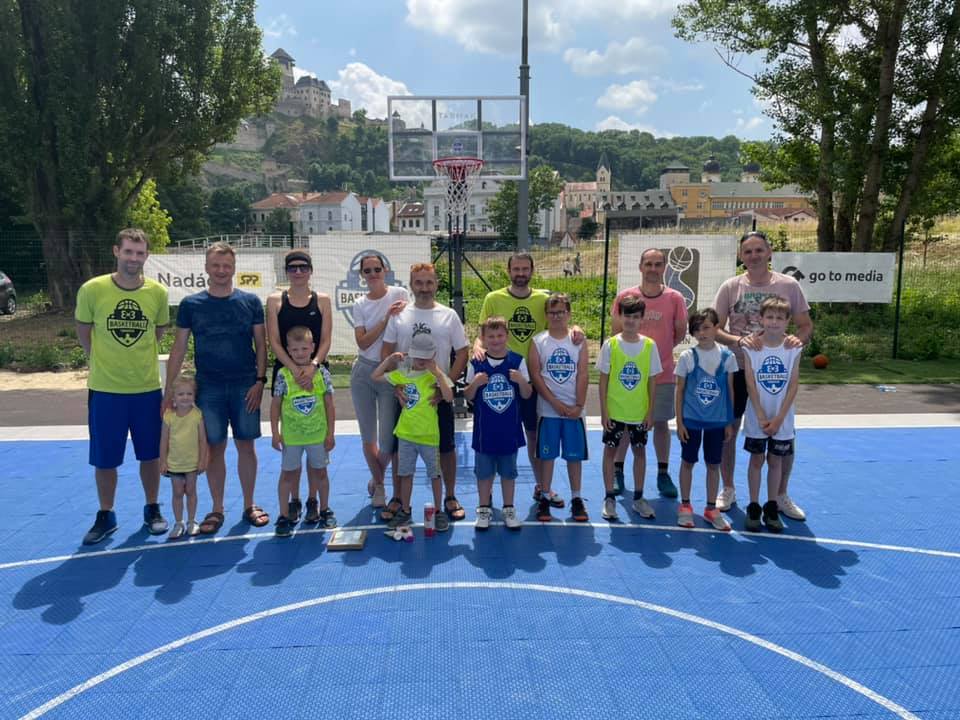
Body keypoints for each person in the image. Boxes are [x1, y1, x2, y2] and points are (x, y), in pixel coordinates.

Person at [164, 241, 269, 535]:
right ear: (206, 268)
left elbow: (261, 345)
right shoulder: (191, 305)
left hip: (245, 386)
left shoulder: (250, 302)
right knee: (214, 448)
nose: (221, 271)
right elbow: (179, 348)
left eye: (227, 266)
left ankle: (249, 504)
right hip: (208, 387)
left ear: (234, 268)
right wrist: (168, 390)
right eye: (216, 265)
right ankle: (217, 508)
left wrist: (260, 381)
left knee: (246, 446)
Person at [75, 228, 171, 544]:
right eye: (128, 251)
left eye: (140, 253)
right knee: (105, 458)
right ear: (117, 251)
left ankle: (152, 508)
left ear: (147, 256)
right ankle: (106, 514)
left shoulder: (157, 293)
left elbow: (157, 332)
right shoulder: (92, 289)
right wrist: (98, 359)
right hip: (106, 390)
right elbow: (84, 329)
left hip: (146, 389)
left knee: (150, 455)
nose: (134, 258)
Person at [713, 230, 812, 519]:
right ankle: (728, 488)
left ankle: (780, 494)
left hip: (774, 377)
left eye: (759, 250)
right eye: (748, 251)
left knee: (783, 434)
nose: (754, 255)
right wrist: (739, 340)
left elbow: (805, 325)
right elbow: (715, 328)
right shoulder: (731, 287)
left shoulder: (788, 285)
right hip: (737, 370)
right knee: (729, 431)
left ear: (769, 252)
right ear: (740, 256)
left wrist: (794, 343)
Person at [476, 252, 584, 510]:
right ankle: (486, 492)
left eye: (525, 269)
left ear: (532, 271)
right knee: (493, 433)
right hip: (501, 378)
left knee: (534, 435)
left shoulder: (542, 299)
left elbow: (561, 318)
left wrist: (576, 328)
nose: (521, 273)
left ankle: (541, 487)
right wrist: (476, 347)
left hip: (532, 379)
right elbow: (482, 333)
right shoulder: (493, 298)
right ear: (508, 271)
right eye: (516, 269)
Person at [382, 262, 468, 526]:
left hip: (434, 395)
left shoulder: (448, 315)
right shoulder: (400, 315)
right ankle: (399, 498)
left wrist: (446, 385)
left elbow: (462, 352)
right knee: (400, 449)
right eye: (419, 283)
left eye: (429, 282)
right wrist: (396, 386)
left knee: (446, 447)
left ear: (436, 284)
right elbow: (386, 352)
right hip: (407, 396)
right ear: (411, 285)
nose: (424, 288)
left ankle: (450, 496)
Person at [610, 247, 687, 499]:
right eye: (648, 264)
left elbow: (679, 333)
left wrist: (655, 357)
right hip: (628, 376)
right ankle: (618, 471)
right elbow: (615, 333)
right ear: (640, 267)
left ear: (664, 267)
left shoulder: (675, 298)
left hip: (662, 373)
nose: (653, 269)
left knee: (661, 423)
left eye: (657, 264)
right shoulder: (625, 296)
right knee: (624, 423)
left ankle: (663, 473)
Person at [265, 249, 333, 522]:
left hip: (315, 371)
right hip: (287, 372)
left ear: (310, 270)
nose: (298, 272)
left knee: (314, 440)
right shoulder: (275, 300)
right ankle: (293, 501)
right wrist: (294, 369)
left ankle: (314, 500)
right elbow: (274, 341)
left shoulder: (322, 300)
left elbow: (325, 340)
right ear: (286, 271)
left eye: (303, 267)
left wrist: (313, 365)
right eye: (292, 267)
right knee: (293, 438)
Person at [372, 335, 454, 529]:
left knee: (435, 475)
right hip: (406, 436)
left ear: (433, 355)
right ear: (411, 354)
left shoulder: (435, 375)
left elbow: (449, 397)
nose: (421, 360)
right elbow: (375, 377)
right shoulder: (403, 374)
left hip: (429, 436)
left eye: (426, 356)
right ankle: (405, 510)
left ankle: (438, 511)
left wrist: (438, 374)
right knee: (406, 474)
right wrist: (389, 360)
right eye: (418, 356)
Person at [349, 252, 409, 510]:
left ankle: (376, 479)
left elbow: (406, 328)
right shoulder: (359, 304)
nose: (373, 274)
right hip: (363, 373)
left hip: (388, 372)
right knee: (368, 436)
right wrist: (386, 318)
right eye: (367, 271)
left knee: (387, 441)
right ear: (362, 275)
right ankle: (381, 487)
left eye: (377, 269)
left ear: (385, 270)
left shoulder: (400, 294)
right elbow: (363, 342)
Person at [597, 293, 662, 522]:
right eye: (627, 316)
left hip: (638, 413)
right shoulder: (611, 344)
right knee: (610, 452)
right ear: (619, 316)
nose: (631, 321)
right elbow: (603, 380)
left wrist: (650, 411)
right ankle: (609, 498)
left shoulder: (649, 346)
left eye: (635, 317)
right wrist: (604, 412)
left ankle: (638, 498)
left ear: (642, 318)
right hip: (615, 411)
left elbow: (652, 381)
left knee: (640, 452)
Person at [464, 316, 532, 530]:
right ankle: (483, 509)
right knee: (484, 474)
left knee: (508, 473)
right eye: (491, 336)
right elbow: (467, 396)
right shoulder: (476, 363)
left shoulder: (517, 361)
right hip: (484, 432)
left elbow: (527, 394)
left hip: (509, 431)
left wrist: (521, 380)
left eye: (500, 335)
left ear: (507, 336)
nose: (495, 340)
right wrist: (475, 383)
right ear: (483, 338)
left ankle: (509, 508)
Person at [741, 296, 802, 533]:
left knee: (775, 461)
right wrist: (760, 415)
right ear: (761, 319)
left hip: (782, 419)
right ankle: (754, 506)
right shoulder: (751, 347)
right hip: (757, 417)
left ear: (787, 321)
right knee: (756, 460)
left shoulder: (793, 348)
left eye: (779, 318)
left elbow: (793, 385)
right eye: (769, 317)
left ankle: (772, 506)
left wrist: (779, 419)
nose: (774, 322)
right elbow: (750, 382)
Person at [528, 293, 590, 523]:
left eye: (561, 312)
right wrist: (554, 403)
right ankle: (545, 497)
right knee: (547, 456)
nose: (556, 316)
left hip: (574, 411)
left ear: (569, 314)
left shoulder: (578, 341)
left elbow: (583, 373)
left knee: (574, 457)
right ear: (546, 315)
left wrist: (579, 405)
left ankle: (576, 498)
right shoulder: (538, 342)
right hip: (548, 410)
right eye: (552, 313)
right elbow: (536, 375)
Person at [674, 309, 737, 532]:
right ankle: (685, 505)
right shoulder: (687, 357)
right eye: (697, 329)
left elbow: (730, 391)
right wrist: (679, 422)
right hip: (691, 420)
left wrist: (729, 421)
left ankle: (711, 508)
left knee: (713, 464)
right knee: (688, 462)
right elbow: (680, 391)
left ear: (716, 328)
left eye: (707, 327)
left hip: (716, 422)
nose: (702, 333)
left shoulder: (728, 357)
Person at [270, 326, 336, 536]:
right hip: (292, 437)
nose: (300, 353)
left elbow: (329, 405)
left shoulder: (322, 373)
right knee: (287, 475)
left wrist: (330, 433)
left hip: (317, 435)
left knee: (320, 472)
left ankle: (324, 509)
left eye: (304, 348)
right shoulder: (283, 375)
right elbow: (275, 405)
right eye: (295, 349)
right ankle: (283, 515)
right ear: (288, 350)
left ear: (313, 348)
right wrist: (275, 433)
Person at [160, 374, 208, 539]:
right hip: (174, 463)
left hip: (192, 463)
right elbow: (164, 440)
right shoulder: (168, 416)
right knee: (178, 492)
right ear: (173, 397)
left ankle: (192, 521)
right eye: (181, 394)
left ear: (194, 396)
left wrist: (202, 460)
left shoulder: (197, 415)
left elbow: (202, 440)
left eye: (189, 394)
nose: (185, 397)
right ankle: (179, 522)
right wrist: (163, 461)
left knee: (191, 491)